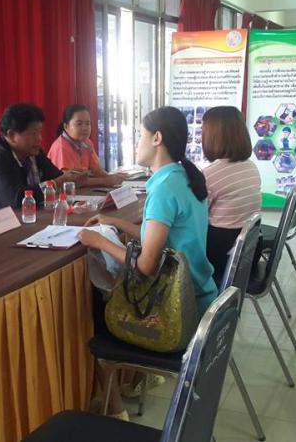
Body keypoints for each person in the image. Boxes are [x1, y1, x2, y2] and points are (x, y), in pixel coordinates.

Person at [77, 106, 218, 420]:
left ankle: (115, 410)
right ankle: (142, 379)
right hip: (200, 294)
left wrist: (98, 241)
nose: (137, 142)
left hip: (177, 314)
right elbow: (163, 238)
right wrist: (116, 223)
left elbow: (146, 266)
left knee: (92, 318)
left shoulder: (164, 188)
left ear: (157, 138)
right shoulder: (182, 176)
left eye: (140, 135)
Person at [0, 103, 84, 213]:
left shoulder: (32, 151)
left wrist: (72, 177)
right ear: (11, 135)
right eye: (33, 133)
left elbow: (56, 176)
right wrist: (58, 182)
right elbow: (17, 199)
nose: (39, 138)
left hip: (26, 216)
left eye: (40, 132)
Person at [200, 106, 261, 284]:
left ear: (213, 136)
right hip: (249, 253)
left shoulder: (210, 174)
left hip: (223, 259)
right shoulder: (251, 167)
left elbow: (197, 218)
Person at [47, 104, 125, 187]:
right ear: (66, 127)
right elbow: (71, 181)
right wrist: (105, 181)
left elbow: (97, 170)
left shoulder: (87, 142)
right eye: (79, 124)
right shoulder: (61, 148)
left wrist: (114, 177)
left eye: (87, 123)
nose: (85, 128)